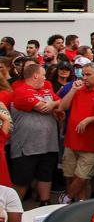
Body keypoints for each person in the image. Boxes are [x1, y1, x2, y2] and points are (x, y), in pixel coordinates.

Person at [58, 63, 94, 203]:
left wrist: (89, 120)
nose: (84, 77)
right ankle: (79, 204)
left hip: (91, 143)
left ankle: (66, 198)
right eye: (82, 74)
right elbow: (62, 107)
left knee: (83, 177)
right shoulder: (78, 89)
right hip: (71, 141)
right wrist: (72, 90)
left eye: (88, 74)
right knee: (70, 175)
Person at [10, 64, 60, 206]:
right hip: (26, 146)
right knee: (22, 180)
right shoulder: (21, 90)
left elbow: (60, 102)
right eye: (43, 74)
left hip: (48, 144)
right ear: (35, 75)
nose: (45, 78)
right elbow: (42, 108)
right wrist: (53, 105)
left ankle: (45, 203)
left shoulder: (47, 90)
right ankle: (13, 209)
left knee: (45, 175)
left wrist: (54, 104)